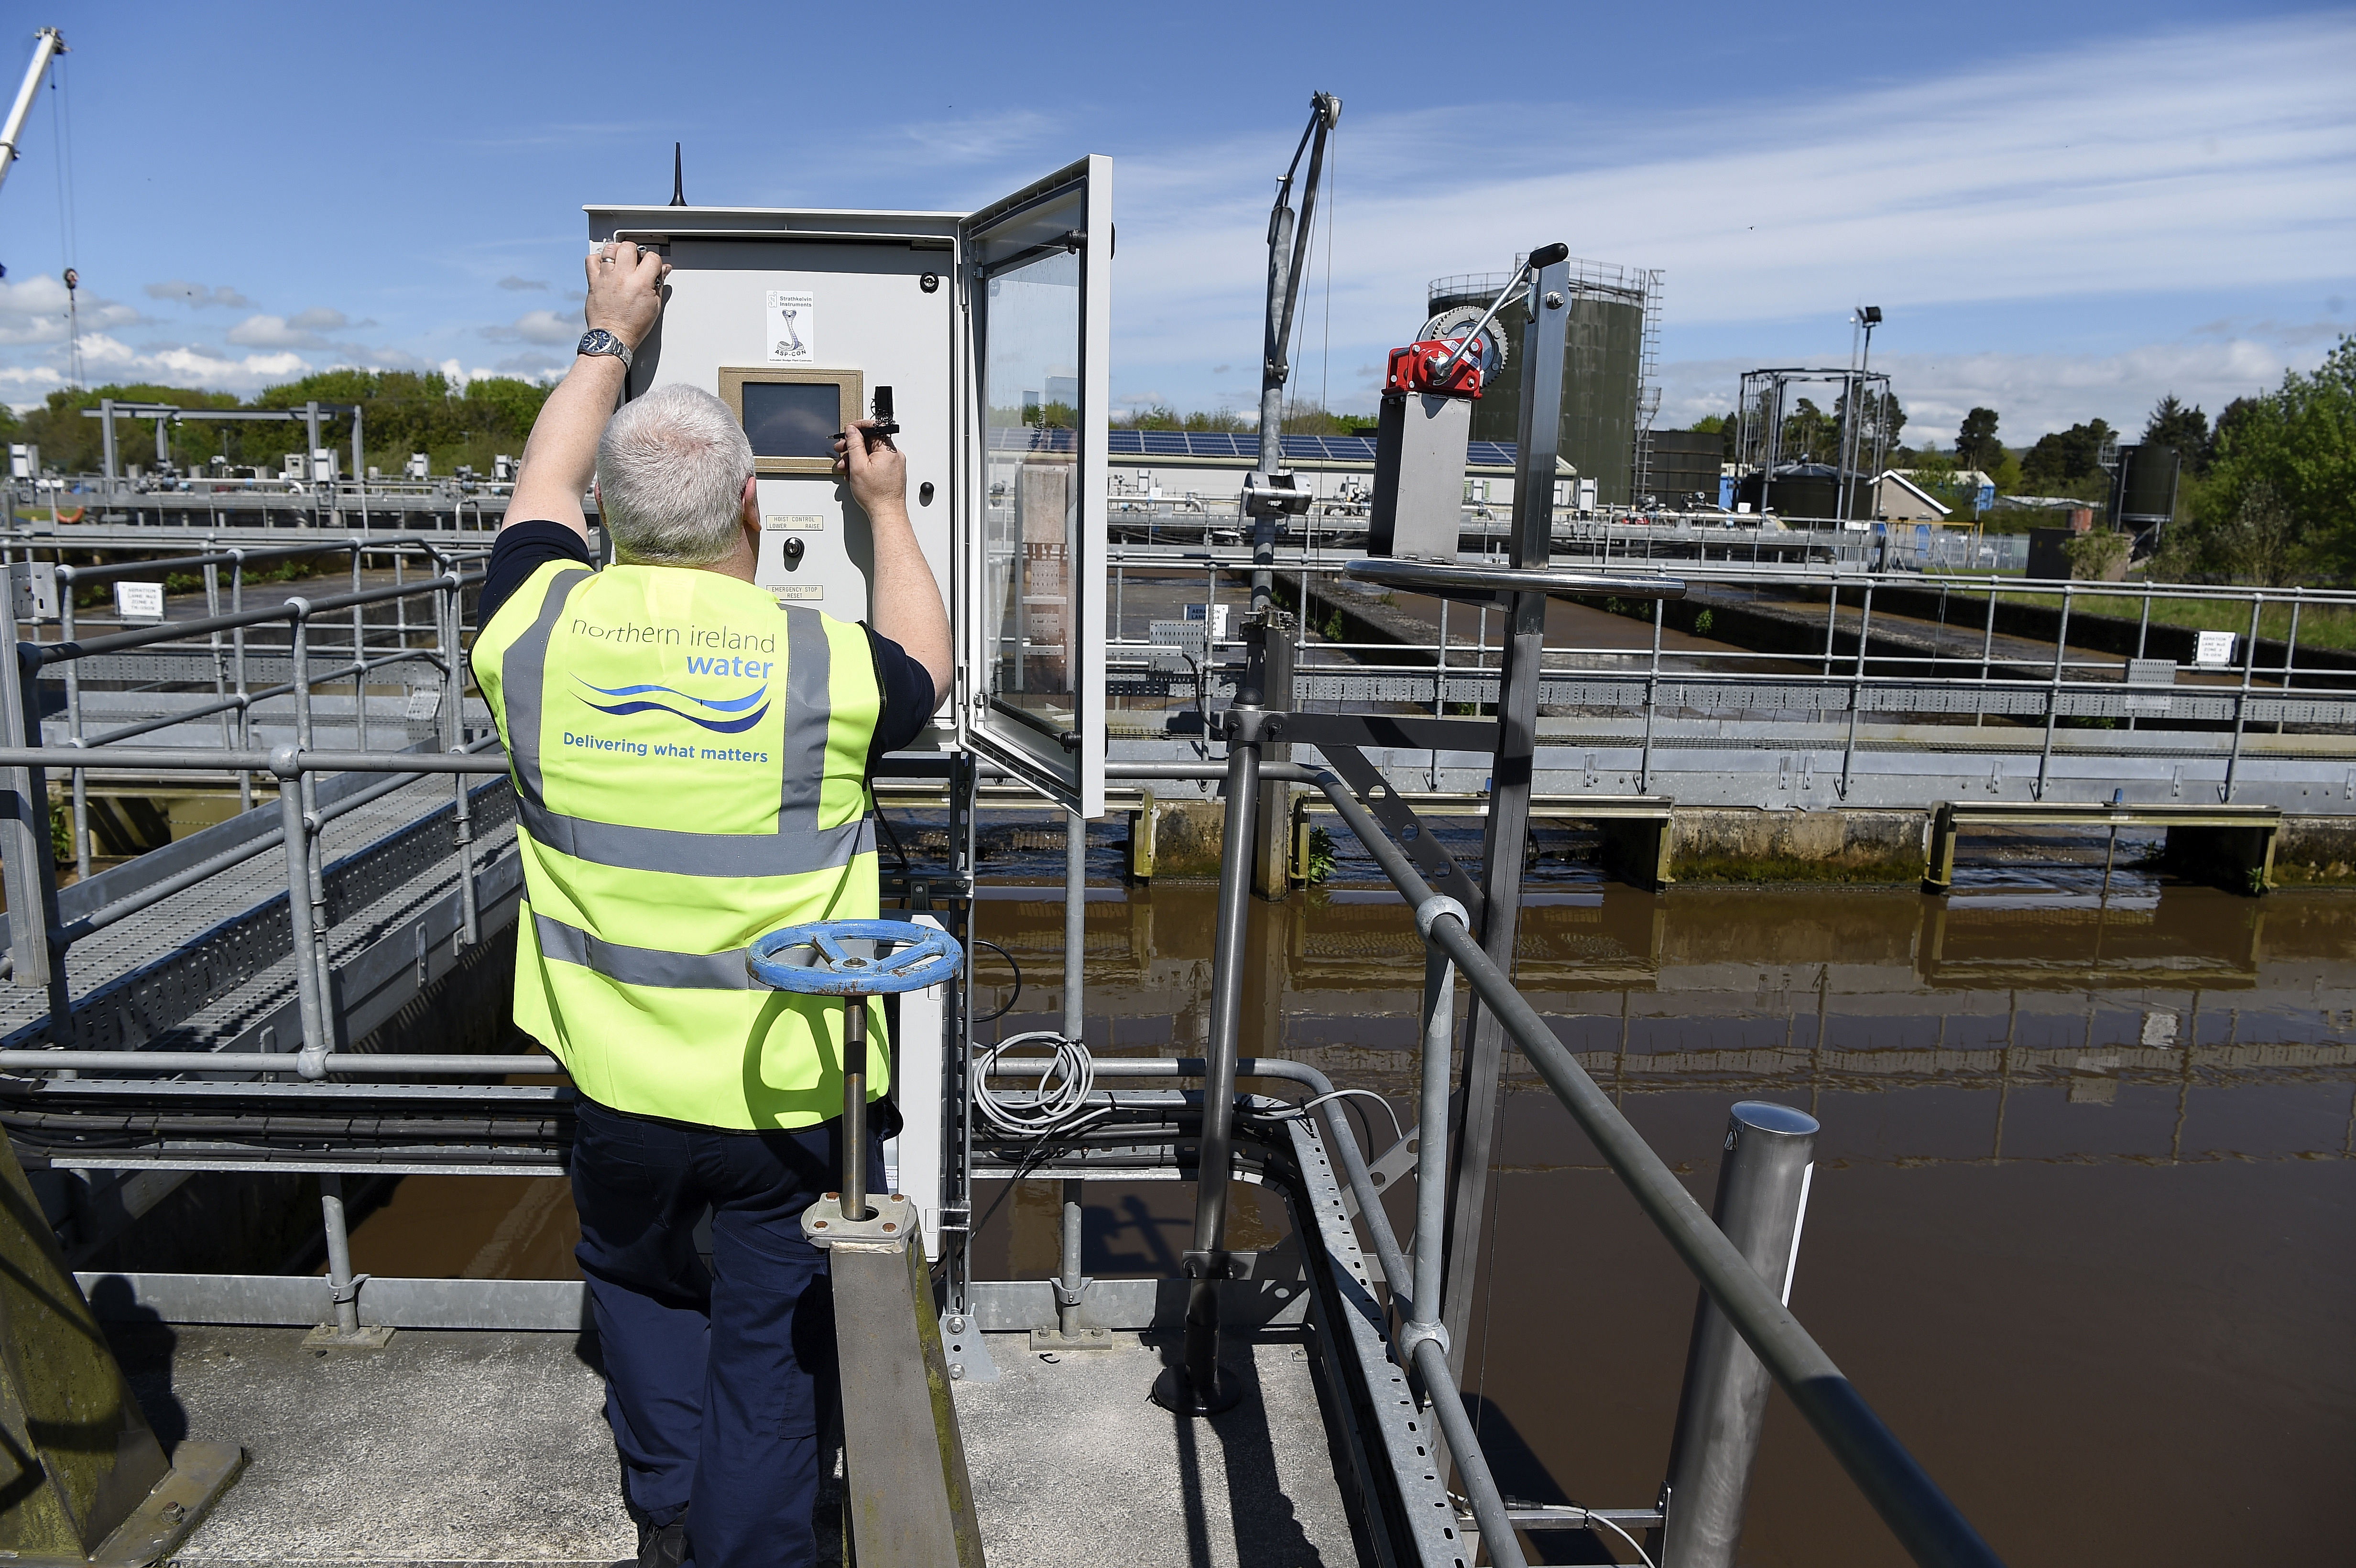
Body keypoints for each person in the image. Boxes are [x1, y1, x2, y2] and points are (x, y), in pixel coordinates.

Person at [470, 240, 951, 1568]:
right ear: (753, 511)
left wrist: (611, 329)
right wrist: (891, 510)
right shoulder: (822, 658)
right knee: (770, 1346)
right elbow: (930, 661)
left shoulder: (532, 631)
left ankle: (668, 1516)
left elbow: (539, 482)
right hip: (787, 1090)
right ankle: (756, 1549)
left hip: (614, 1082)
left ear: (607, 525)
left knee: (634, 1288)